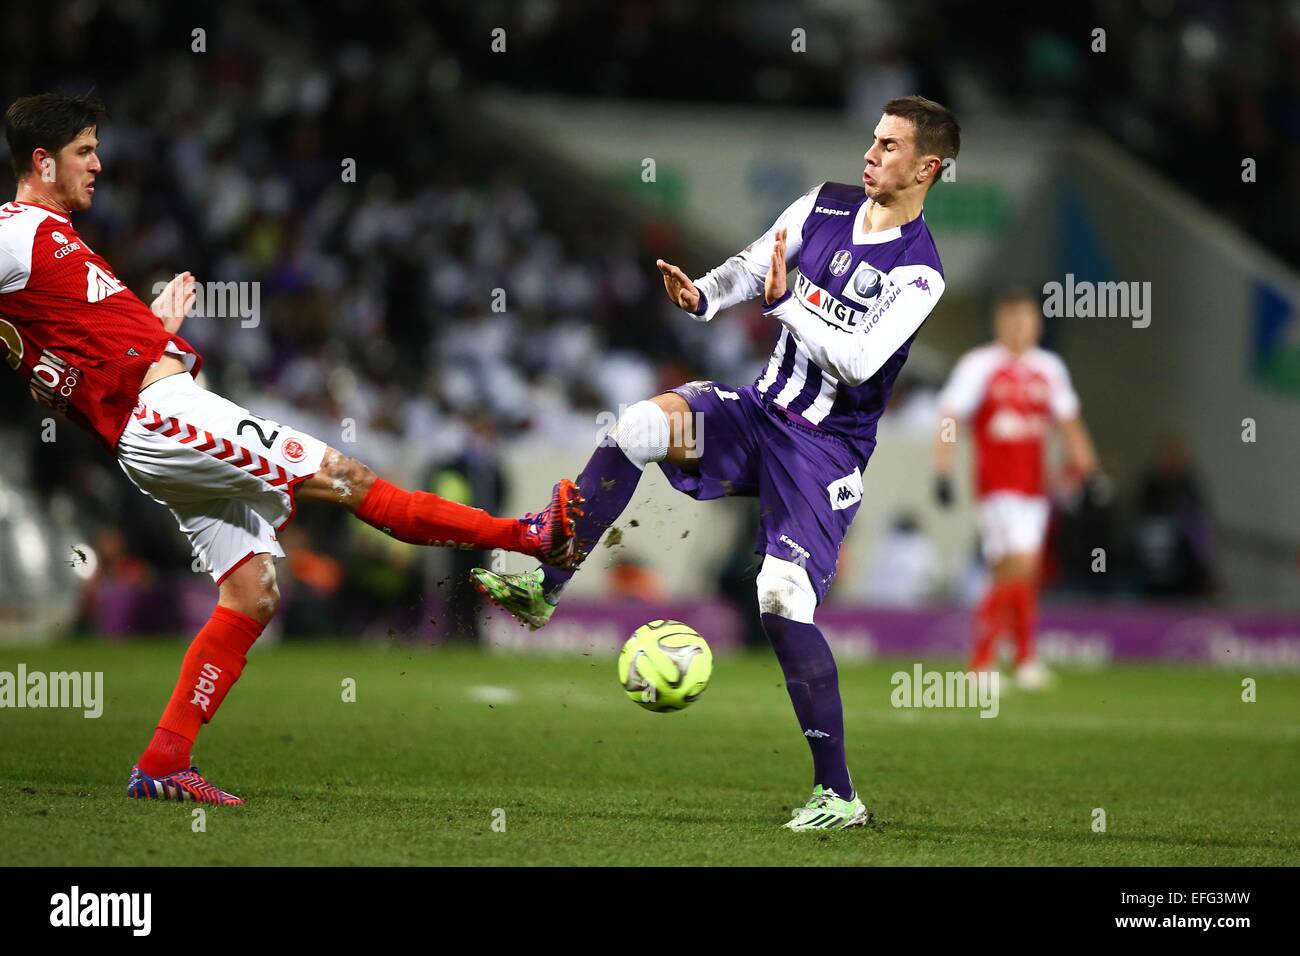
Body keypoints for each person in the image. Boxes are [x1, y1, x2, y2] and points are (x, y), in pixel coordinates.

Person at [0, 92, 583, 806]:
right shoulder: (16, 232)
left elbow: (58, 350)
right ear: (41, 160)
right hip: (162, 418)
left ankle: (162, 763)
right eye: (84, 151)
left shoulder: (52, 240)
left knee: (253, 590)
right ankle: (529, 536)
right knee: (344, 475)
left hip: (157, 417)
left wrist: (146, 334)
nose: (99, 163)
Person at [473, 95, 959, 831]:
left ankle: (839, 795)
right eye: (872, 138)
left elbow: (859, 364)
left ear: (929, 167)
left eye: (889, 146)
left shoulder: (921, 273)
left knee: (781, 597)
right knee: (638, 425)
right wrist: (703, 295)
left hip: (823, 449)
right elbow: (753, 264)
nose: (870, 153)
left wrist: (788, 305)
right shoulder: (824, 206)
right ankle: (549, 582)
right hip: (756, 413)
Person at [933, 288, 1098, 689]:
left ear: (1038, 324)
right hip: (996, 486)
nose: (1022, 328)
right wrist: (942, 467)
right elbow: (950, 415)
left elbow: (1069, 422)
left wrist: (1087, 468)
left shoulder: (1050, 368)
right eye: (1014, 320)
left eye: (1028, 320)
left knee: (1020, 573)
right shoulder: (979, 365)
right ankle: (981, 662)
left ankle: (1023, 658)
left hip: (1034, 487)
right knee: (1020, 565)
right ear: (999, 322)